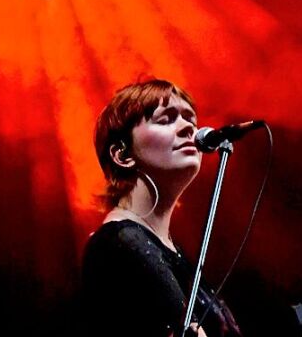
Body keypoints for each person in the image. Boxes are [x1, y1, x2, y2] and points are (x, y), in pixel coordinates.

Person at [82, 78, 242, 337]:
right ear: (122, 155)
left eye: (191, 119)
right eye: (166, 119)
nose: (188, 128)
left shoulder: (168, 249)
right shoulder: (121, 244)